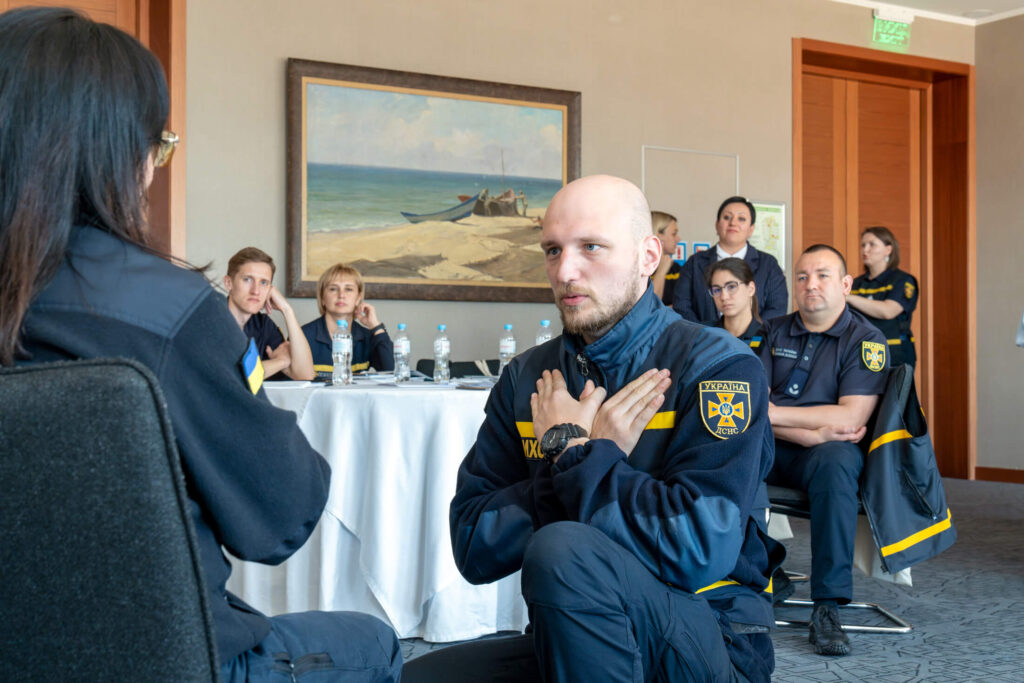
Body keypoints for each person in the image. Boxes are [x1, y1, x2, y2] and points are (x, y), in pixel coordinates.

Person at [0, 8, 400, 681]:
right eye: (160, 147)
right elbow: (282, 515)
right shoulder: (170, 311)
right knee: (377, 641)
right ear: (121, 152)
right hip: (172, 658)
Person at [407, 175, 782, 682]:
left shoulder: (717, 367)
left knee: (563, 550)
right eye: (552, 250)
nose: (566, 270)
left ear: (648, 255)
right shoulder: (526, 378)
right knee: (416, 678)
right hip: (574, 627)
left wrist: (574, 452)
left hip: (710, 632)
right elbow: (473, 546)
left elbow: (699, 549)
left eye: (591, 247)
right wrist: (573, 464)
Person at [759, 244, 889, 657]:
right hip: (776, 446)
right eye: (802, 276)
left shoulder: (867, 340)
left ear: (846, 284)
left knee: (836, 466)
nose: (810, 284)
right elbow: (752, 410)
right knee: (729, 449)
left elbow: (850, 418)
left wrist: (777, 414)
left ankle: (827, 607)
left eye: (822, 275)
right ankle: (761, 568)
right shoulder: (772, 330)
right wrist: (810, 431)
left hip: (828, 454)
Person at [672, 196, 788, 324]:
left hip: (755, 341)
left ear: (751, 229)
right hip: (704, 341)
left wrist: (751, 333)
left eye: (741, 219)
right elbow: (681, 306)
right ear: (717, 225)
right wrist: (705, 335)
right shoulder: (695, 262)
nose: (733, 223)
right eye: (727, 217)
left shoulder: (768, 264)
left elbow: (777, 307)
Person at [224, 247, 314, 380]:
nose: (256, 291)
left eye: (264, 283)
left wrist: (287, 310)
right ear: (228, 283)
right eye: (247, 279)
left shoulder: (263, 325)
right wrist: (280, 362)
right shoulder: (212, 321)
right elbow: (233, 379)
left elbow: (305, 374)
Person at [301, 263, 394, 379]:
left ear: (358, 298)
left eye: (348, 289)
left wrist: (375, 326)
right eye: (333, 289)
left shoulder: (366, 337)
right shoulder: (302, 335)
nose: (341, 295)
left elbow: (392, 371)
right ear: (323, 298)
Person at [846, 226, 919, 368]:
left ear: (888, 250)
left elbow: (888, 311)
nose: (865, 250)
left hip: (895, 354)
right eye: (863, 245)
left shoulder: (903, 280)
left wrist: (848, 297)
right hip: (862, 353)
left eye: (872, 244)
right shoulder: (857, 283)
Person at [707, 257, 764, 349]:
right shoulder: (705, 335)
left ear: (751, 289)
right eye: (717, 290)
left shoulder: (767, 337)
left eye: (731, 287)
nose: (723, 297)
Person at [649, 210, 681, 304]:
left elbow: (683, 308)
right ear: (658, 236)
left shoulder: (677, 269)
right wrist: (662, 270)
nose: (678, 239)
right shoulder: (639, 270)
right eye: (674, 234)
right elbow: (650, 307)